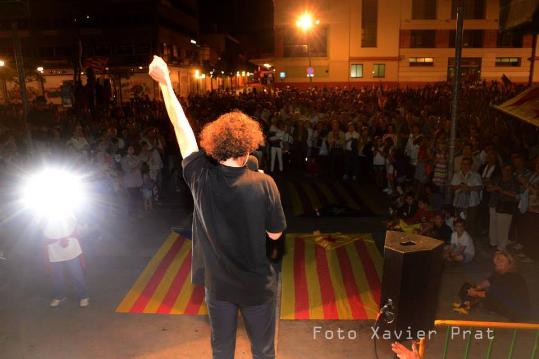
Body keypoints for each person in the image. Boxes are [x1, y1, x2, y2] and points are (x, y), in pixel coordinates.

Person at [149, 56, 286, 359]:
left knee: (221, 350)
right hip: (256, 286)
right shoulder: (265, 185)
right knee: (263, 351)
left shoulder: (199, 177)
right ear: (248, 148)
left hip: (219, 287)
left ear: (215, 146)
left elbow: (180, 126)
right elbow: (276, 237)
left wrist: (166, 83)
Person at [454, 251, 530, 322]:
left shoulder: (510, 276)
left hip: (516, 313)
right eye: (497, 259)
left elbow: (489, 294)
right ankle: (468, 303)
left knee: (486, 297)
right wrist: (475, 287)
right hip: (506, 302)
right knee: (467, 287)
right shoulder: (501, 271)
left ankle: (468, 304)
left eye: (502, 260)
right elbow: (488, 281)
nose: (498, 262)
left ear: (510, 264)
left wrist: (474, 293)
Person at [43, 216, 90, 308]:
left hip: (71, 248)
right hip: (54, 250)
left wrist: (66, 237)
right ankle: (59, 296)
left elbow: (76, 230)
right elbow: (44, 235)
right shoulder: (46, 215)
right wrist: (58, 239)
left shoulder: (68, 212)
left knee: (76, 273)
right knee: (56, 275)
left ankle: (83, 296)